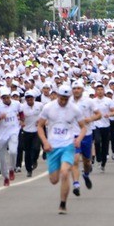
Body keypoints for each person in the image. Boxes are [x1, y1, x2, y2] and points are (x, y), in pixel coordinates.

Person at [37, 85, 87, 215]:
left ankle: (63, 204)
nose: (63, 101)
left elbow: (83, 128)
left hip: (67, 145)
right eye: (61, 98)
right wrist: (45, 142)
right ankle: (57, 169)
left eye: (66, 99)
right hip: (52, 146)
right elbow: (40, 126)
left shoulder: (75, 109)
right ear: (57, 96)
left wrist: (78, 139)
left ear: (69, 97)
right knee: (54, 180)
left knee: (65, 173)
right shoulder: (48, 107)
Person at [0, 87, 22, 187]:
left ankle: (12, 169)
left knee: (13, 151)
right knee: (2, 158)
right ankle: (5, 176)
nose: (6, 99)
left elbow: (21, 112)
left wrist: (22, 120)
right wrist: (0, 118)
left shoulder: (16, 104)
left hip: (13, 131)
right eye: (3, 98)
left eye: (7, 97)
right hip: (1, 134)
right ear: (1, 98)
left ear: (10, 96)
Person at [19, 90, 42, 177]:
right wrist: (21, 121)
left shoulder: (39, 105)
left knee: (36, 148)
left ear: (34, 98)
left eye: (30, 97)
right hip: (26, 131)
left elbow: (44, 114)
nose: (29, 99)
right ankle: (29, 170)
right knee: (27, 151)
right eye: (27, 98)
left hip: (36, 130)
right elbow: (18, 116)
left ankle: (35, 160)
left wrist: (41, 120)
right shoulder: (22, 107)